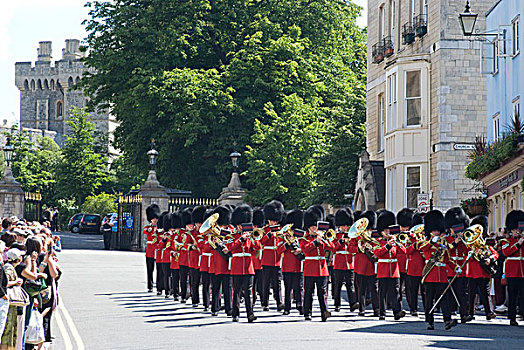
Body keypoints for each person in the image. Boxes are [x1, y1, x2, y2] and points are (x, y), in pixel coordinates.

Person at [420, 210, 457, 330]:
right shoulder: (426, 242)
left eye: (437, 230)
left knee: (443, 298)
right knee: (429, 299)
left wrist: (456, 267)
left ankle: (447, 320)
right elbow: (423, 249)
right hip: (430, 273)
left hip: (441, 274)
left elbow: (447, 259)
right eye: (434, 230)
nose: (436, 232)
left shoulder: (443, 243)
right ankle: (429, 321)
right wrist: (431, 242)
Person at [374, 211, 406, 321]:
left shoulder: (395, 241)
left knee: (396, 291)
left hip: (394, 270)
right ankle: (382, 312)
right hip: (383, 270)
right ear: (381, 231)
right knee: (382, 292)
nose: (388, 232)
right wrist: (387, 246)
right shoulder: (378, 242)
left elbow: (403, 251)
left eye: (389, 230)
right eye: (386, 230)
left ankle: (397, 311)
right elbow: (377, 253)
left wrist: (397, 242)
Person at [229, 205, 258, 322]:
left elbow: (258, 247)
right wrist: (240, 239)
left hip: (248, 267)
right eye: (241, 225)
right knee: (236, 291)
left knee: (248, 291)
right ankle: (235, 313)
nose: (242, 227)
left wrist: (252, 239)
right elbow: (230, 247)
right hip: (236, 266)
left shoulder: (250, 237)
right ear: (237, 226)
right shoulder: (232, 236)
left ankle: (250, 314)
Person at [444, 207, 472, 323]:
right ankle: (450, 311)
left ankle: (464, 314)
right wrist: (454, 243)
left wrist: (464, 241)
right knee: (450, 293)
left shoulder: (464, 240)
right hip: (450, 269)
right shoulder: (446, 239)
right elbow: (445, 252)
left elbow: (468, 251)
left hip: (461, 269)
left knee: (462, 293)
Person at [351, 210, 379, 317]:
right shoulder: (356, 237)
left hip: (372, 267)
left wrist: (372, 248)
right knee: (361, 290)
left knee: (374, 290)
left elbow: (379, 248)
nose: (368, 231)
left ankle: (376, 309)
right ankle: (361, 309)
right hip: (360, 267)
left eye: (369, 229)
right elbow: (350, 249)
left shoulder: (374, 237)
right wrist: (359, 248)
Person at [277, 209, 304, 316]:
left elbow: (304, 248)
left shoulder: (301, 236)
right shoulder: (283, 237)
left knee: (299, 287)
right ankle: (287, 307)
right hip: (287, 266)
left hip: (298, 265)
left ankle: (300, 305)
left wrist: (299, 249)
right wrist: (286, 244)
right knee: (288, 288)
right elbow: (279, 250)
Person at [260, 200, 285, 312]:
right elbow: (260, 242)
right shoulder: (264, 230)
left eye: (275, 221)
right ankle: (265, 303)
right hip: (266, 259)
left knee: (277, 282)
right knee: (266, 282)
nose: (273, 223)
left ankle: (279, 302)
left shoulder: (281, 231)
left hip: (277, 260)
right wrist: (269, 235)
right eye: (271, 221)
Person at [332, 208, 358, 313]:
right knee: (337, 285)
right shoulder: (336, 236)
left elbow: (355, 248)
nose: (346, 228)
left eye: (347, 225)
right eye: (344, 225)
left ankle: (352, 303)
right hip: (338, 264)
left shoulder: (353, 236)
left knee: (350, 285)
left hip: (350, 264)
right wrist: (341, 242)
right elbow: (333, 248)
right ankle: (337, 304)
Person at [501, 210, 524, 326]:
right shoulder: (506, 241)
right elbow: (506, 253)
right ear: (511, 230)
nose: (518, 232)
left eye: (519, 230)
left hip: (522, 272)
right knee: (513, 296)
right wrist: (518, 244)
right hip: (512, 272)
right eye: (515, 230)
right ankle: (512, 317)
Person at [1, 248, 24, 350]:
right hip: (7, 301)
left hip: (9, 301)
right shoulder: (8, 268)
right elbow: (5, 284)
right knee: (6, 328)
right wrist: (16, 282)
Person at [144, 204, 160, 292]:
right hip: (150, 251)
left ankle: (158, 286)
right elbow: (144, 231)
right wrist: (148, 230)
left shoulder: (159, 228)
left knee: (159, 270)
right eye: (153, 218)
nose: (155, 220)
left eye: (156, 218)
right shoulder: (148, 227)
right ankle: (149, 286)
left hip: (157, 250)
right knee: (150, 269)